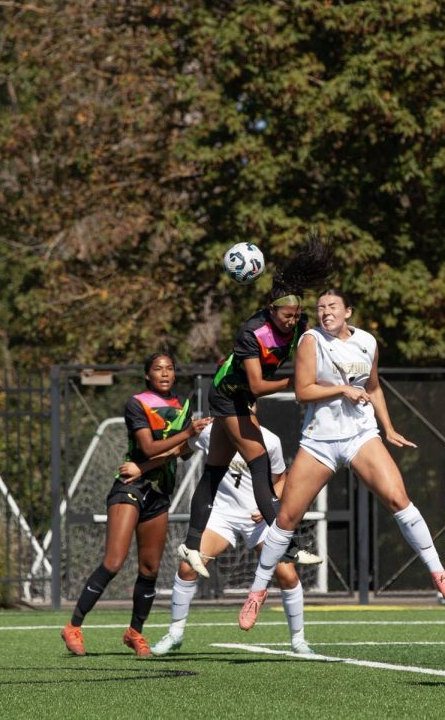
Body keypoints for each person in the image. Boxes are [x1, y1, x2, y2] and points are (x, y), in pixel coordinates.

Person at [238, 289, 445, 630]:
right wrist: (342, 389)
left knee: (398, 498)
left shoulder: (367, 341)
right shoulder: (311, 340)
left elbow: (373, 387)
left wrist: (387, 427)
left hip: (360, 435)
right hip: (320, 442)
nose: (326, 312)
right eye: (321, 308)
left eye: (333, 307)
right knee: (286, 517)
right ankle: (256, 593)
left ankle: (438, 572)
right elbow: (303, 391)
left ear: (348, 311)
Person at [179, 235, 335, 577]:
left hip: (240, 398)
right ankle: (288, 545)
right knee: (260, 464)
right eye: (286, 316)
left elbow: (314, 347)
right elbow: (256, 386)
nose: (291, 321)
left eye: (296, 315)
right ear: (271, 310)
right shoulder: (252, 332)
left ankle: (191, 544)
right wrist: (295, 382)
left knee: (214, 470)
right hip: (228, 397)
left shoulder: (298, 325)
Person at [61, 353, 211, 657]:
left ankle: (134, 632)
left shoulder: (181, 408)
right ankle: (73, 626)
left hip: (159, 492)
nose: (165, 373)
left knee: (150, 568)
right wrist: (186, 436)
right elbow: (147, 447)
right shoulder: (137, 403)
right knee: (114, 561)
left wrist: (188, 443)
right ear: (148, 375)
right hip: (130, 487)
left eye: (169, 369)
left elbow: (182, 453)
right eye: (158, 369)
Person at [151, 422, 313, 656]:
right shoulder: (211, 432)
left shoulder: (269, 440)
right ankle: (175, 633)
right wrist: (147, 464)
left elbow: (281, 480)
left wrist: (269, 502)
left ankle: (299, 640)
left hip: (257, 519)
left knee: (287, 575)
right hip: (220, 515)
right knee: (188, 567)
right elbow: (182, 449)